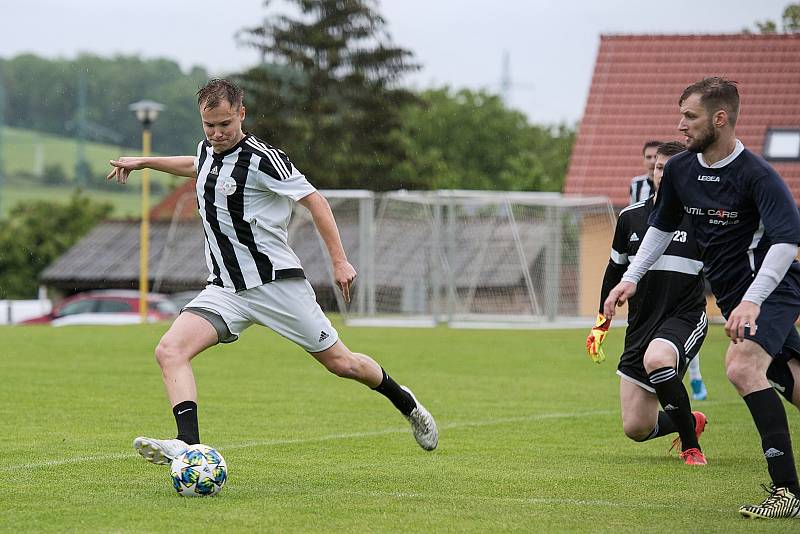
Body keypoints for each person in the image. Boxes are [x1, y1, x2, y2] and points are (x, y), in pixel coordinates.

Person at [106, 78, 438, 465]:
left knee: (342, 364)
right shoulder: (207, 150)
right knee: (169, 350)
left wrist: (339, 260)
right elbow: (195, 164)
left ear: (241, 114)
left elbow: (315, 200)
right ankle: (189, 446)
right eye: (209, 126)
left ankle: (406, 402)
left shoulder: (264, 159)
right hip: (226, 290)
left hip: (276, 286)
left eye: (225, 124)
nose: (217, 134)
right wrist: (145, 161)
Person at [604, 77, 800, 519]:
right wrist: (631, 278)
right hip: (737, 298)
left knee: (742, 366)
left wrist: (752, 301)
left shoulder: (757, 175)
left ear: (720, 118)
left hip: (772, 287)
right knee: (791, 381)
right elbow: (660, 226)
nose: (680, 126)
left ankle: (787, 492)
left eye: (689, 116)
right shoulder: (680, 170)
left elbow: (788, 239)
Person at [587, 141, 708, 466]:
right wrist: (601, 326)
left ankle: (691, 446)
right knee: (637, 427)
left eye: (670, 169)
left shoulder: (700, 221)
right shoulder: (631, 218)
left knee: (658, 357)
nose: (662, 173)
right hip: (642, 323)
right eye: (658, 167)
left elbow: (724, 270)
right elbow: (614, 272)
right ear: (651, 171)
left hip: (685, 317)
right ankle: (689, 419)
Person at [634, 139, 709, 402]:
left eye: (660, 163)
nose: (653, 166)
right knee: (635, 426)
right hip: (649, 283)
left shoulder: (694, 204)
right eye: (651, 161)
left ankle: (695, 378)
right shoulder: (636, 189)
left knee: (674, 338)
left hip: (681, 282)